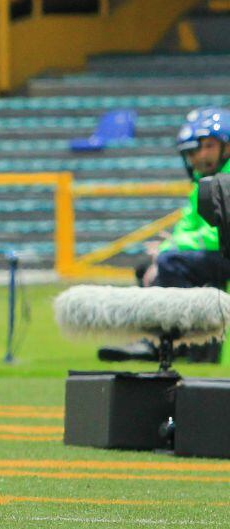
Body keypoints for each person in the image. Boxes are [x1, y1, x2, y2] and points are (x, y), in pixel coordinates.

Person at [99, 106, 230, 364]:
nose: (197, 156)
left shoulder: (225, 181)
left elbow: (222, 234)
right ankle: (179, 345)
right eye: (194, 150)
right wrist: (168, 248)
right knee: (148, 267)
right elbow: (188, 227)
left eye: (206, 147)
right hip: (220, 255)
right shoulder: (206, 182)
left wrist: (170, 251)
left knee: (171, 262)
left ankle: (171, 340)